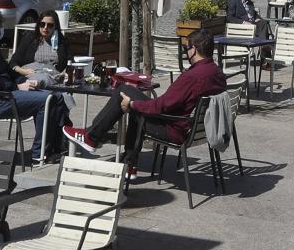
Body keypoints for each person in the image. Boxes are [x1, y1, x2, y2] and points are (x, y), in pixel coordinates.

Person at [64, 29, 227, 177]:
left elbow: (161, 106)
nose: (185, 52)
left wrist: (132, 105)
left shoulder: (192, 76)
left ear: (194, 49)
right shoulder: (216, 72)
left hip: (175, 128)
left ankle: (93, 138)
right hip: (197, 129)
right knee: (127, 91)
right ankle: (125, 162)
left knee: (130, 101)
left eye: (186, 48)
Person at [0, 9, 65, 163]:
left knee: (56, 96)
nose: (1, 30)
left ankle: (56, 147)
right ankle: (39, 154)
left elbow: (8, 71)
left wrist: (24, 81)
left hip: (2, 96)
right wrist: (16, 87)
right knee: (47, 100)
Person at [9, 10, 71, 79]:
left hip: (53, 77)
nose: (45, 27)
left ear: (55, 27)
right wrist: (24, 71)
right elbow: (13, 62)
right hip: (31, 76)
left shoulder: (62, 42)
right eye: (42, 24)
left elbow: (69, 62)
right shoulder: (30, 38)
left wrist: (64, 73)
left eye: (50, 25)